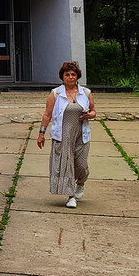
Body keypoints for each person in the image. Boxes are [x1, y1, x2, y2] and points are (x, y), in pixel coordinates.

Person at [37, 61, 96, 208]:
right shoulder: (55, 94)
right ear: (62, 77)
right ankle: (71, 197)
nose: (70, 77)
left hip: (81, 135)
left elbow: (94, 111)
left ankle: (81, 182)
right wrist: (41, 133)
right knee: (66, 166)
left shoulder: (86, 93)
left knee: (81, 166)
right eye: (67, 74)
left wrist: (90, 115)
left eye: (73, 74)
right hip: (63, 136)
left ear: (77, 76)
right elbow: (47, 115)